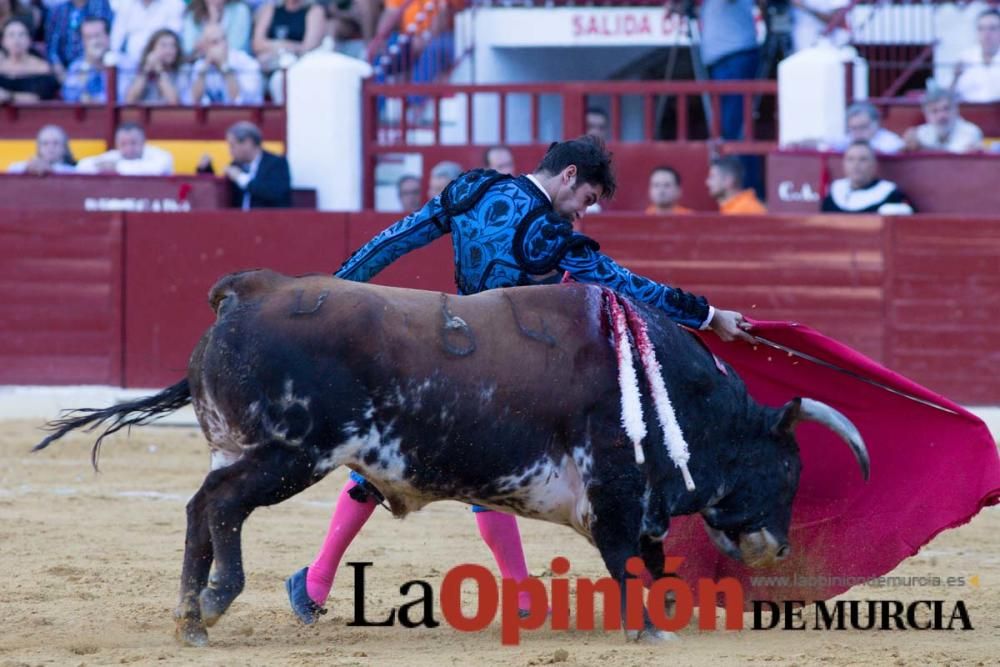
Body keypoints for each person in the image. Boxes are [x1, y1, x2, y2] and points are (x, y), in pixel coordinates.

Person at [284, 135, 754, 625]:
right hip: (514, 371)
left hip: (446, 351)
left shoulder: (471, 189)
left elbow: (393, 241)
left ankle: (318, 581)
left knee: (384, 458)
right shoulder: (549, 234)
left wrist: (331, 292)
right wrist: (707, 314)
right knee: (490, 468)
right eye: (587, 199)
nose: (584, 212)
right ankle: (527, 595)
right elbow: (626, 285)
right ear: (568, 175)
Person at [199, 121, 292, 209]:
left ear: (248, 143)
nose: (230, 151)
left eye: (232, 146)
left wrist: (240, 178)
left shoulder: (276, 164)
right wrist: (206, 170)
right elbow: (222, 193)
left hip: (268, 222)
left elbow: (273, 192)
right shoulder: (236, 165)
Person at [252, 0, 325, 101]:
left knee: (279, 80)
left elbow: (308, 47)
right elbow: (257, 44)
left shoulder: (313, 11)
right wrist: (288, 47)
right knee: (252, 74)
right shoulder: (270, 9)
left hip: (299, 66)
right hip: (269, 64)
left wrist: (278, 47)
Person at [821, 141, 913, 214]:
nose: (855, 165)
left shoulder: (891, 195)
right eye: (850, 159)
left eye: (863, 159)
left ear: (874, 164)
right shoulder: (834, 192)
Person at [189, 23, 262, 105]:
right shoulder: (200, 66)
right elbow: (195, 101)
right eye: (212, 43)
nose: (221, 45)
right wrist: (205, 68)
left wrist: (224, 66)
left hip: (245, 115)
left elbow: (238, 100)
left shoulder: (246, 63)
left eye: (222, 40)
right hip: (213, 116)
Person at [43, 0, 113, 77]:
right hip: (66, 70)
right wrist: (63, 77)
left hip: (100, 64)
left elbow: (107, 36)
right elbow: (52, 50)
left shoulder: (101, 5)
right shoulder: (57, 11)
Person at [903, 87, 984, 153]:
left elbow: (954, 160)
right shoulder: (921, 133)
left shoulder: (971, 131)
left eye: (946, 109)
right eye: (934, 111)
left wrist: (922, 149)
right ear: (926, 115)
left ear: (956, 110)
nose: (941, 116)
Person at [76, 122, 174, 175]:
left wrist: (117, 167)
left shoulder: (162, 156)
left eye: (133, 143)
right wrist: (100, 165)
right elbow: (82, 166)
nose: (129, 148)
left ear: (143, 142)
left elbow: (156, 170)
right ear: (116, 144)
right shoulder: (114, 156)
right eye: (123, 144)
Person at [0, 17, 60, 103]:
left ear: (29, 40)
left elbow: (40, 97)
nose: (17, 40)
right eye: (11, 35)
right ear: (3, 41)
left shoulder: (43, 68)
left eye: (21, 34)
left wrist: (10, 96)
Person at [123, 29, 189, 105]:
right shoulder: (137, 70)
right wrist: (146, 69)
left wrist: (159, 71)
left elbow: (174, 102)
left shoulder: (182, 72)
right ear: (152, 49)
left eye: (173, 46)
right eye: (163, 45)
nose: (169, 50)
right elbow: (129, 101)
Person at [110, 0, 186, 65]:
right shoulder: (125, 3)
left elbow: (174, 39)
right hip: (131, 66)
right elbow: (115, 41)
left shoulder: (175, 4)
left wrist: (153, 58)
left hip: (166, 64)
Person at [61, 16, 117, 103]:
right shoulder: (76, 67)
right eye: (88, 37)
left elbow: (123, 98)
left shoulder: (124, 64)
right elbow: (70, 98)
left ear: (108, 37)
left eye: (97, 36)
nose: (94, 42)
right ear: (82, 41)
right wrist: (88, 64)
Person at [953, 9, 1000, 104]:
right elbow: (950, 96)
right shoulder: (965, 58)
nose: (986, 34)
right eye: (981, 29)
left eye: (992, 28)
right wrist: (955, 78)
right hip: (969, 113)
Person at [181, 0, 253, 59]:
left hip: (235, 63)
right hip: (200, 63)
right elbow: (188, 48)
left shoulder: (240, 10)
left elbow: (236, 46)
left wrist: (204, 46)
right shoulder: (193, 13)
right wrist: (213, 21)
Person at [831, 101, 905, 154]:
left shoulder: (891, 142)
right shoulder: (847, 139)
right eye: (853, 128)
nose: (858, 132)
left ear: (877, 124)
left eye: (863, 127)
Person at [6, 124, 76, 174]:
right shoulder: (26, 167)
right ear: (39, 148)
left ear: (64, 147)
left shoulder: (76, 169)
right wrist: (27, 167)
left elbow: (73, 171)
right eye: (45, 143)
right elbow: (12, 169)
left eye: (56, 143)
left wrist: (50, 169)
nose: (50, 147)